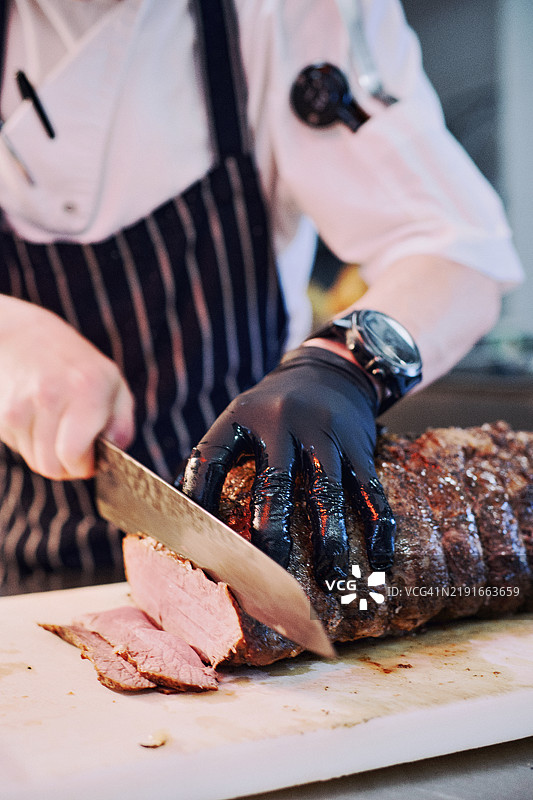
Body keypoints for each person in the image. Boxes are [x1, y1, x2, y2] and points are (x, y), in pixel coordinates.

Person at [0, 0, 523, 594]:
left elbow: (457, 251)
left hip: (265, 547)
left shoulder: (292, 11)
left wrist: (342, 364)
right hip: (20, 554)